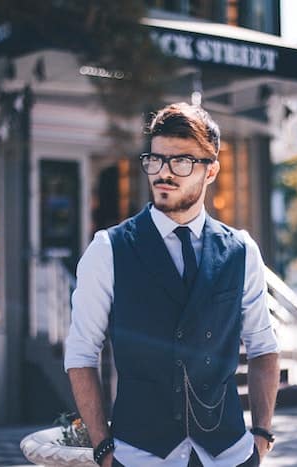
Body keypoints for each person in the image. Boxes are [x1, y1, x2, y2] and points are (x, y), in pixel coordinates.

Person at [65, 102, 280, 467]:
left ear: (211, 170)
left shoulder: (241, 250)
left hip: (229, 456)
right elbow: (82, 354)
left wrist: (260, 437)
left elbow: (264, 348)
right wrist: (103, 449)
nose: (163, 173)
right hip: (138, 457)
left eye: (181, 161)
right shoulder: (109, 249)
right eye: (156, 159)